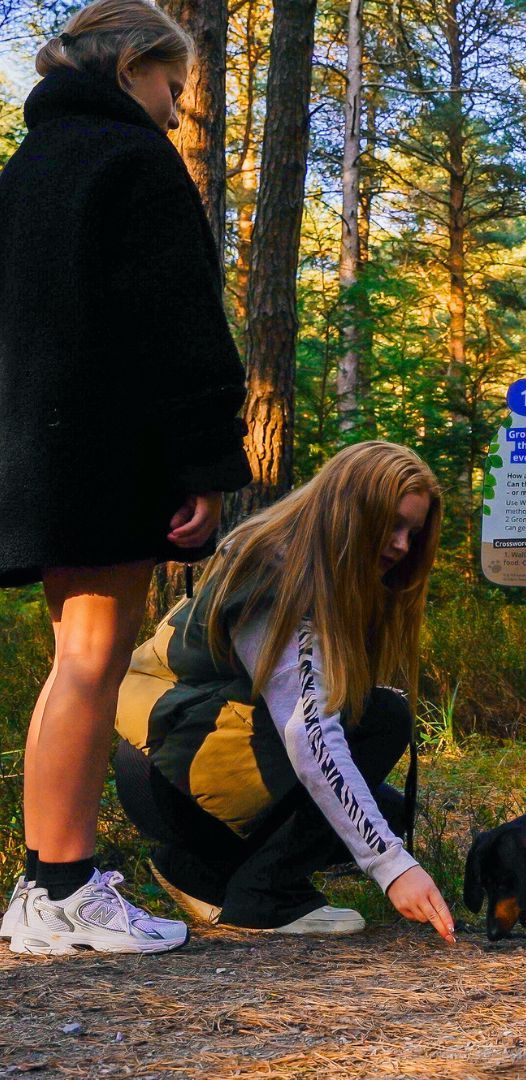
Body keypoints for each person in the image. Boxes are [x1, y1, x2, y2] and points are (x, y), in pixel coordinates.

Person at [0, 0, 251, 955]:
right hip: (107, 451)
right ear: (130, 68)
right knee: (93, 663)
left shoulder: (25, 172)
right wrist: (204, 462)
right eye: (172, 87)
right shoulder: (133, 162)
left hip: (38, 453)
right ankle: (60, 888)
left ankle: (43, 886)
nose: (178, 112)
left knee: (76, 662)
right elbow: (179, 325)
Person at [111, 441, 456, 943]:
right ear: (349, 509)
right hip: (170, 776)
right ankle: (263, 898)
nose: (402, 545)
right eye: (392, 524)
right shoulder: (275, 565)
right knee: (382, 717)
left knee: (389, 810)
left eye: (413, 533)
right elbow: (308, 728)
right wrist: (391, 865)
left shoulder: (318, 563)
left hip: (181, 765)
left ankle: (199, 871)